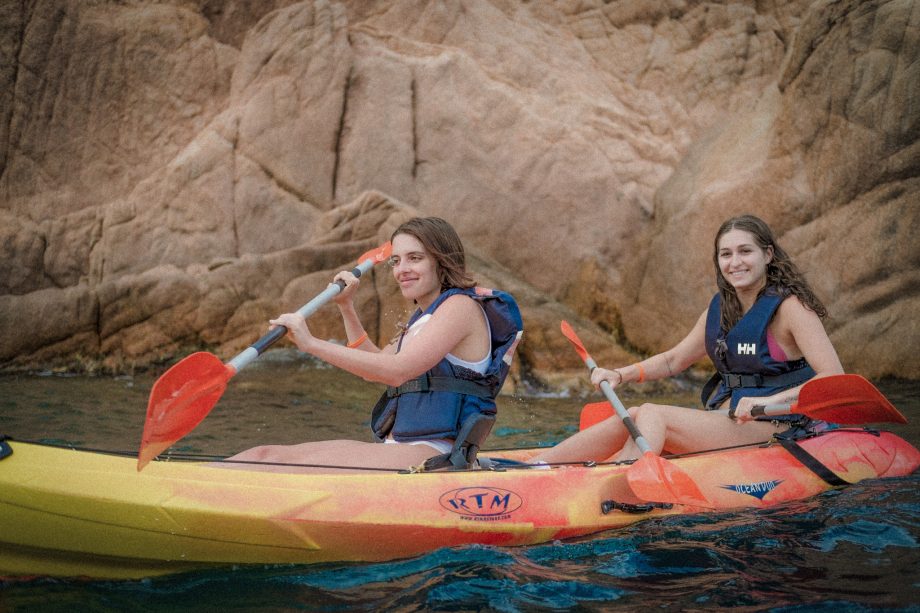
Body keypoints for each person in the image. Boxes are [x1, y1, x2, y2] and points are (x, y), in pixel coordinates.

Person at [534, 214, 843, 464]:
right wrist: (619, 374)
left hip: (779, 424)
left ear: (768, 255)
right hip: (730, 419)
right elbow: (673, 360)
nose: (735, 262)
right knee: (636, 414)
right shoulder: (721, 309)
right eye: (726, 254)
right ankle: (538, 466)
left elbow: (833, 376)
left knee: (654, 413)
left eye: (745, 251)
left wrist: (767, 402)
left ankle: (616, 481)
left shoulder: (792, 308)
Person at [224, 217, 523, 472]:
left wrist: (311, 344)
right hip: (401, 449)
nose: (401, 269)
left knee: (276, 464)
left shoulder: (459, 307)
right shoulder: (423, 319)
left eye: (415, 258)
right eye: (396, 260)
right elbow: (373, 367)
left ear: (442, 260)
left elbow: (396, 371)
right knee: (261, 455)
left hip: (433, 454)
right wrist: (346, 307)